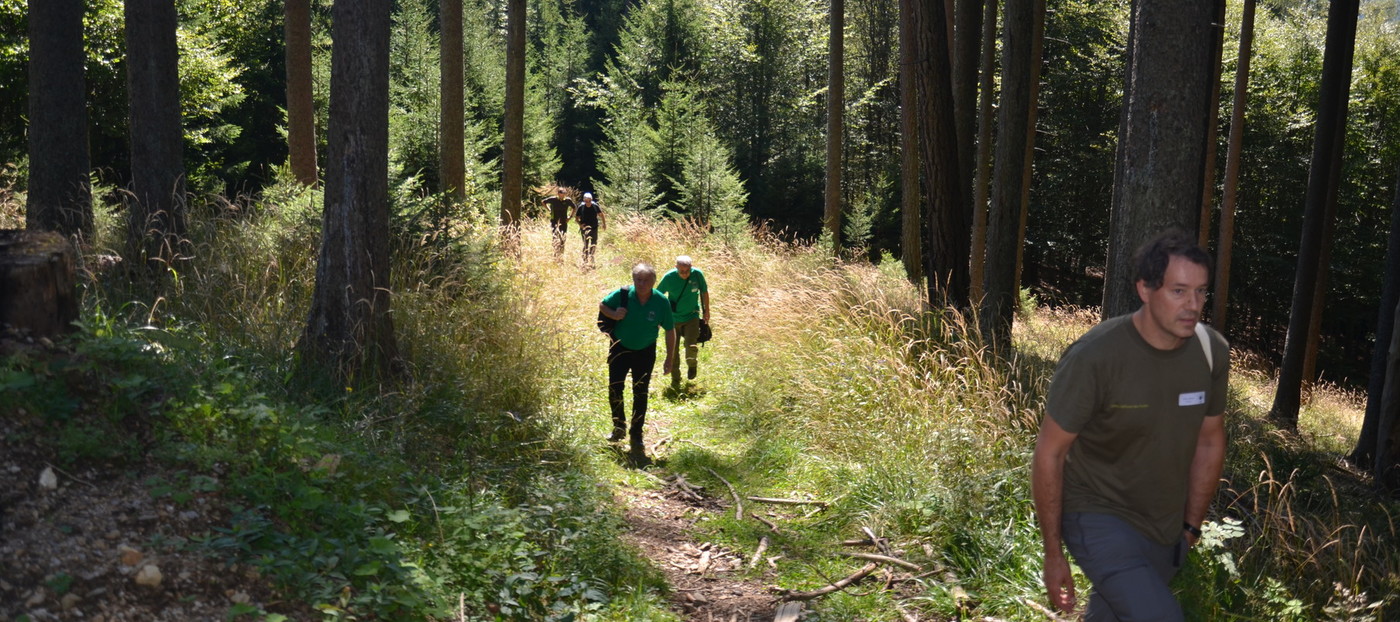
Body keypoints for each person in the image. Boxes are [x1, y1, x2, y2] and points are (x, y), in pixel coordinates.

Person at [1031, 229, 1230, 621]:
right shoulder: (1095, 357)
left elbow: (1209, 443)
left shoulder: (1210, 352)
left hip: (1164, 528)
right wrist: (1053, 554)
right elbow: (1049, 453)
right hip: (1095, 512)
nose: (1193, 305)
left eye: (1201, 292)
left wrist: (1191, 527)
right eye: (1178, 291)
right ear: (1145, 289)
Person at [599, 263, 676, 463]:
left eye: (646, 280)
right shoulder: (623, 294)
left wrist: (670, 357)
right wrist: (614, 314)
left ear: (654, 282)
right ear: (633, 280)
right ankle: (618, 427)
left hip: (645, 351)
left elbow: (669, 329)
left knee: (640, 391)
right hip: (619, 348)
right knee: (615, 388)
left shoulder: (661, 302)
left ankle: (636, 433)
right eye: (638, 280)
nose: (641, 284)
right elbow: (602, 305)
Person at [657, 255, 710, 388]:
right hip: (672, 319)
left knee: (691, 346)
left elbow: (704, 292)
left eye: (687, 271)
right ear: (676, 268)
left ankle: (692, 365)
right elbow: (657, 295)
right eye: (682, 271)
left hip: (692, 316)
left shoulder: (697, 275)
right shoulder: (669, 277)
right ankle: (676, 380)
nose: (685, 274)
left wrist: (706, 311)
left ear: (691, 268)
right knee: (673, 351)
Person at [542, 187, 576, 259]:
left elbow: (574, 207)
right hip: (554, 221)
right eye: (561, 193)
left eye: (564, 194)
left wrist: (570, 217)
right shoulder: (553, 199)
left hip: (563, 221)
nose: (562, 195)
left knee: (563, 238)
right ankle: (555, 253)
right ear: (558, 193)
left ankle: (561, 254)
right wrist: (549, 209)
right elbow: (543, 202)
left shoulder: (567, 200)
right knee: (555, 237)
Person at [575, 192, 606, 268]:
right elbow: (576, 218)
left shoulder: (595, 206)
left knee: (593, 243)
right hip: (585, 228)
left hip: (594, 228)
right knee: (585, 244)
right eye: (586, 200)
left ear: (591, 200)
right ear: (584, 200)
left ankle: (591, 256)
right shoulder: (581, 207)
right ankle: (585, 259)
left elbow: (601, 215)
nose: (588, 202)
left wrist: (604, 224)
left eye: (589, 200)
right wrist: (580, 224)